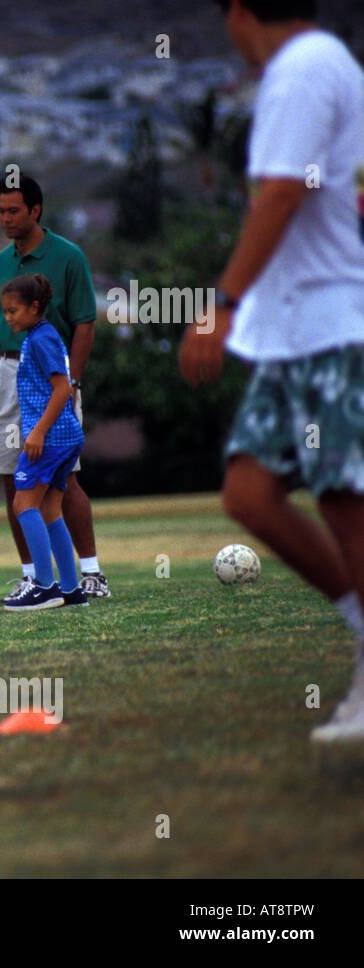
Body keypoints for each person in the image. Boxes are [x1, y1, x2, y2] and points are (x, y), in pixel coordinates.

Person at [180, 0, 364, 742]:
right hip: (294, 332)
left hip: (329, 326)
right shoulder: (323, 67)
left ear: (239, 12)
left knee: (347, 502)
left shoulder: (302, 69)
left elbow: (283, 193)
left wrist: (223, 303)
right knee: (249, 494)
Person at [0, 174, 109, 604]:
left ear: (35, 211)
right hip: (10, 379)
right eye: (0, 210)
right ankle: (35, 575)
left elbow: (85, 324)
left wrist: (73, 384)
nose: (5, 218)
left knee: (63, 481)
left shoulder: (67, 257)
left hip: (52, 381)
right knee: (13, 484)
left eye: (13, 210)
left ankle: (90, 574)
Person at [0, 274, 89, 611]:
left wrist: (36, 432)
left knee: (23, 505)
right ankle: (70, 589)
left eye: (13, 311)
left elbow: (63, 388)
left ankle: (44, 586)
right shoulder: (40, 336)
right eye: (5, 312)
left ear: (35, 307)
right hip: (65, 437)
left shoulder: (41, 339)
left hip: (50, 438)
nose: (8, 318)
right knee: (50, 509)